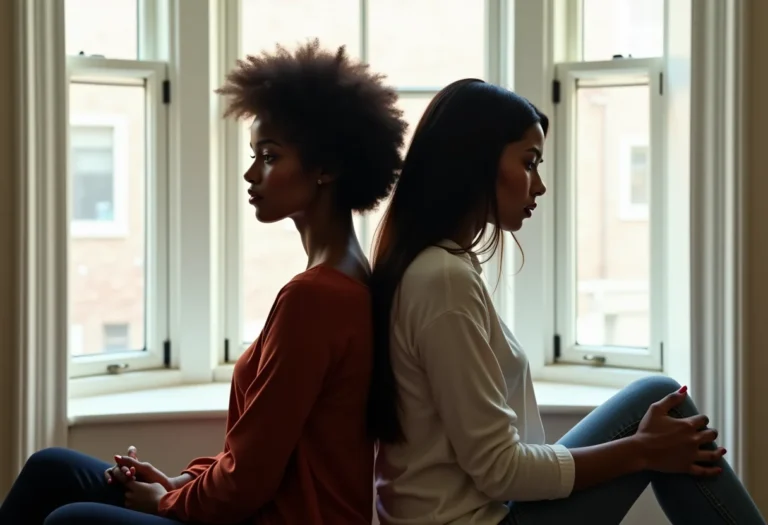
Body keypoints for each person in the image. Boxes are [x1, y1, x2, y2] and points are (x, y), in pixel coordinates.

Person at [0, 40, 407, 525]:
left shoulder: (316, 298)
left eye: (269, 156)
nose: (251, 173)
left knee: (70, 520)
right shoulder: (348, 277)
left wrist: (165, 501)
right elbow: (259, 452)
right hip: (256, 504)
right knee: (52, 469)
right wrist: (179, 482)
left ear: (328, 169)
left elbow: (250, 480)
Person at [367, 78, 765, 525]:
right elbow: (500, 470)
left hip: (488, 510)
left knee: (658, 400)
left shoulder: (436, 267)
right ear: (476, 162)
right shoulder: (441, 280)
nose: (539, 186)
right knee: (656, 402)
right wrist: (641, 451)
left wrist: (644, 448)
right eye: (529, 163)